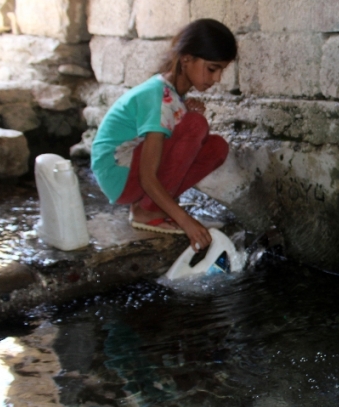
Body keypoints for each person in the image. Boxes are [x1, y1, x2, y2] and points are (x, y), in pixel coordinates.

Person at [91, 18, 237, 253]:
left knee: (216, 147)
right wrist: (185, 221)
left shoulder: (173, 95)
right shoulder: (159, 96)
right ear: (186, 59)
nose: (217, 78)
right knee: (196, 125)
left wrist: (186, 113)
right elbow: (148, 176)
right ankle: (147, 212)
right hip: (118, 174)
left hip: (132, 174)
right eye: (212, 68)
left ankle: (151, 206)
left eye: (221, 70)